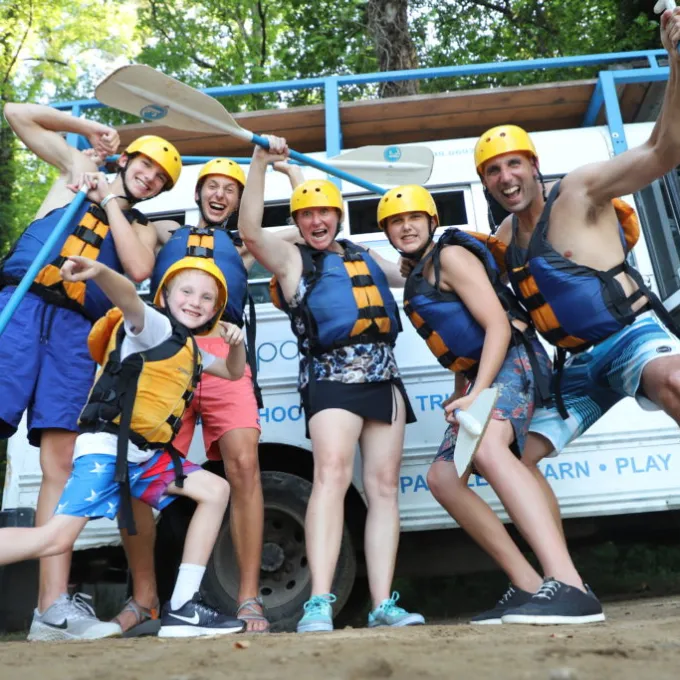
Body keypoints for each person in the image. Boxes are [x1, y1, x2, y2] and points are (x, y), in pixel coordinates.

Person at [471, 5, 680, 625]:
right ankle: (565, 585)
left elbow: (665, 150)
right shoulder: (502, 241)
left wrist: (675, 58)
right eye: (492, 172)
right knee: (513, 457)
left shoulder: (584, 189)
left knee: (673, 379)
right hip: (577, 369)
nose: (506, 177)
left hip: (630, 334)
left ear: (534, 166)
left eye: (514, 164)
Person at [379, 185, 603, 625]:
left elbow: (498, 327)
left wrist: (478, 390)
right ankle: (529, 584)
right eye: (394, 222)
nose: (404, 227)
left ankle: (570, 585)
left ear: (430, 222)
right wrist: (461, 386)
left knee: (488, 448)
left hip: (514, 360)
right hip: (486, 372)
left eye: (413, 218)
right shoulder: (420, 271)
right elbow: (466, 341)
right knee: (443, 477)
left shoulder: (451, 257)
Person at [1, 102, 181, 640]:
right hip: (21, 305)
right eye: (145, 166)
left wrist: (114, 203)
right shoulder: (72, 170)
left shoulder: (141, 226)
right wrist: (87, 133)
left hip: (78, 334)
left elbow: (141, 268)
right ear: (127, 158)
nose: (149, 178)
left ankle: (50, 609)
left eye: (159, 179)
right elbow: (16, 113)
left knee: (60, 458)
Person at [0, 252, 248, 639]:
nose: (194, 302)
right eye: (186, 291)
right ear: (165, 295)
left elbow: (233, 372)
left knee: (215, 490)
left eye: (206, 298)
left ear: (216, 310)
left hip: (144, 457)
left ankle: (183, 608)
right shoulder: (153, 327)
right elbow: (128, 298)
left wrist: (236, 342)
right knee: (55, 538)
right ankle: (49, 618)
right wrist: (98, 272)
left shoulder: (193, 349)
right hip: (107, 449)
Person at [238, 136, 424, 633]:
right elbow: (249, 229)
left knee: (384, 488)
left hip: (384, 379)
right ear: (296, 222)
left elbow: (413, 268)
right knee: (332, 478)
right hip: (331, 378)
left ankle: (383, 603)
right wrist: (261, 165)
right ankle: (318, 600)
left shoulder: (367, 256)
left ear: (338, 216)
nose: (316, 221)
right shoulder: (294, 262)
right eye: (305, 216)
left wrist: (420, 230)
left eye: (324, 213)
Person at [114, 158, 304, 635]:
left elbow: (309, 223)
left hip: (224, 352)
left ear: (240, 201)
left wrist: (281, 171)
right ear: (198, 193)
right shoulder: (163, 232)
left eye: (230, 190)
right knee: (135, 470)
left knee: (243, 466)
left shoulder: (245, 246)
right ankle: (145, 599)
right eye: (212, 187)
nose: (220, 195)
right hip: (165, 355)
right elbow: (129, 234)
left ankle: (247, 598)